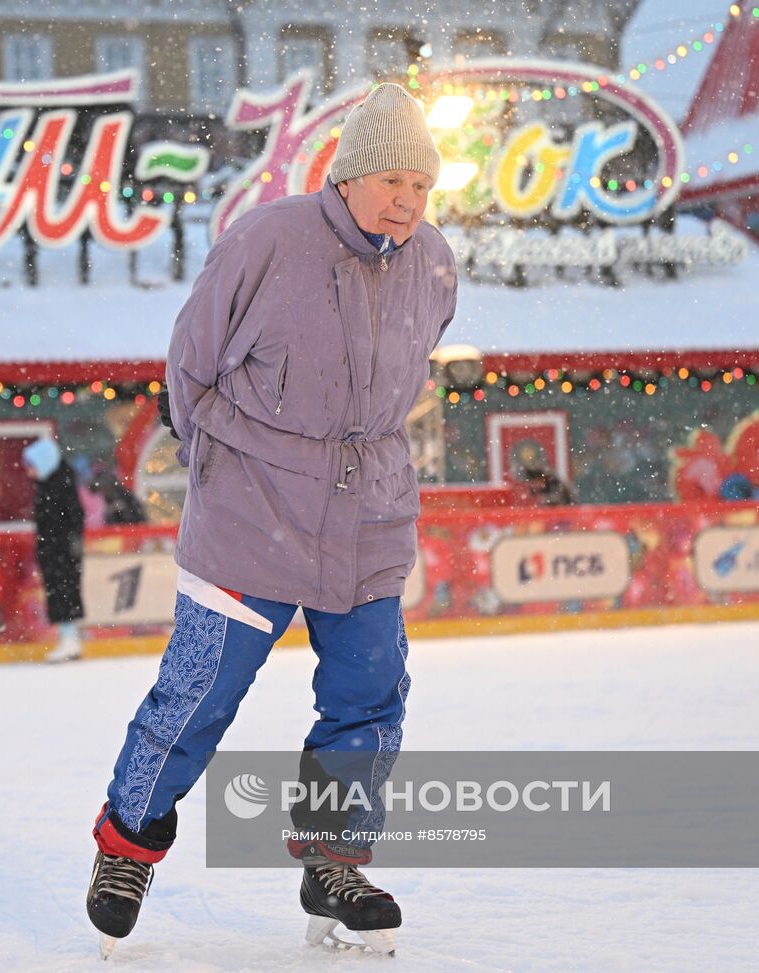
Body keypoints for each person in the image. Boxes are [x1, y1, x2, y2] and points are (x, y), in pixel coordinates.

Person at [83, 83, 459, 957]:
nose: (408, 201)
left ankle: (333, 860)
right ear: (350, 175)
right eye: (394, 180)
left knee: (369, 700)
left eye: (423, 186)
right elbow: (191, 373)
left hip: (366, 526)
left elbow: (405, 380)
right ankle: (127, 844)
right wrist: (231, 469)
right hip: (252, 522)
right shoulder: (266, 240)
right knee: (197, 700)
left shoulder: (434, 261)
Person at [21, 436, 85, 663]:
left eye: (32, 466)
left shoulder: (59, 484)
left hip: (61, 551)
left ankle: (70, 640)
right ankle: (68, 639)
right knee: (60, 593)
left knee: (64, 593)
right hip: (55, 550)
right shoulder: (49, 484)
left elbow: (74, 516)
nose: (29, 472)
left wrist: (68, 543)